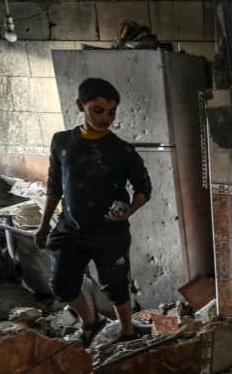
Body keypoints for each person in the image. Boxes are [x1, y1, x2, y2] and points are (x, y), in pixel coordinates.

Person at [34, 78, 152, 347]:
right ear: (80, 105)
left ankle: (127, 331)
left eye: (111, 112)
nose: (105, 118)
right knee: (62, 285)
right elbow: (54, 186)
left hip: (109, 231)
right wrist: (43, 226)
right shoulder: (62, 143)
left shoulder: (123, 150)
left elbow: (144, 189)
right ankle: (90, 322)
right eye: (97, 110)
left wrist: (129, 211)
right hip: (70, 228)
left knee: (116, 285)